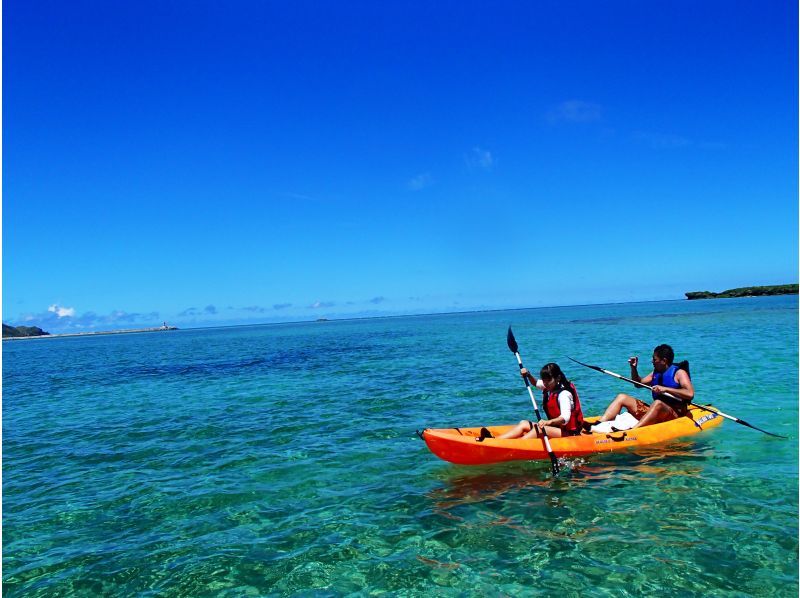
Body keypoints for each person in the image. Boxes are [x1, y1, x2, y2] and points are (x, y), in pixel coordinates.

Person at [597, 344, 694, 429]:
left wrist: (665, 389)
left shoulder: (679, 373)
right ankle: (600, 423)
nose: (652, 361)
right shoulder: (655, 373)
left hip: (674, 413)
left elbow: (690, 394)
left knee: (658, 403)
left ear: (664, 361)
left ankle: (634, 430)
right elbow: (638, 384)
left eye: (655, 359)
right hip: (657, 410)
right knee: (621, 397)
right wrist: (633, 368)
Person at [493, 362, 585, 440]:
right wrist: (528, 375)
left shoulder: (564, 394)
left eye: (548, 380)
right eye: (544, 380)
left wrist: (547, 422)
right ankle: (496, 441)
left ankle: (516, 444)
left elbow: (565, 418)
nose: (545, 383)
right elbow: (536, 383)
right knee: (524, 423)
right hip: (557, 429)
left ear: (558, 378)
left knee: (541, 429)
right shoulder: (550, 385)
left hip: (570, 434)